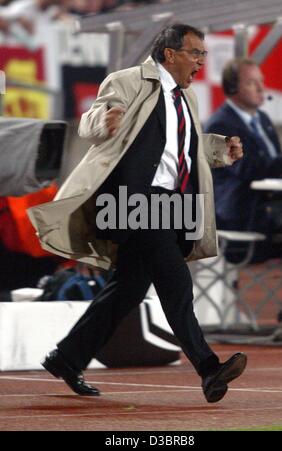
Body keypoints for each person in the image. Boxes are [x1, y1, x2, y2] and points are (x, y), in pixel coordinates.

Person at [29, 24, 246, 403]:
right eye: (196, 53)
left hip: (170, 204)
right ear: (170, 55)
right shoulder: (128, 81)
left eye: (204, 54)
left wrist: (220, 149)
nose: (201, 61)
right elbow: (91, 119)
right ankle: (208, 368)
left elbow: (183, 146)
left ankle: (66, 358)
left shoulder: (186, 98)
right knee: (175, 281)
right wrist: (105, 121)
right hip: (133, 202)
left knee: (127, 289)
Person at [204, 57, 282, 321]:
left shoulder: (264, 120)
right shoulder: (219, 125)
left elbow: (276, 171)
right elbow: (250, 169)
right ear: (233, 88)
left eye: (261, 81)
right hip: (241, 215)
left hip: (268, 205)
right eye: (252, 82)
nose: (261, 88)